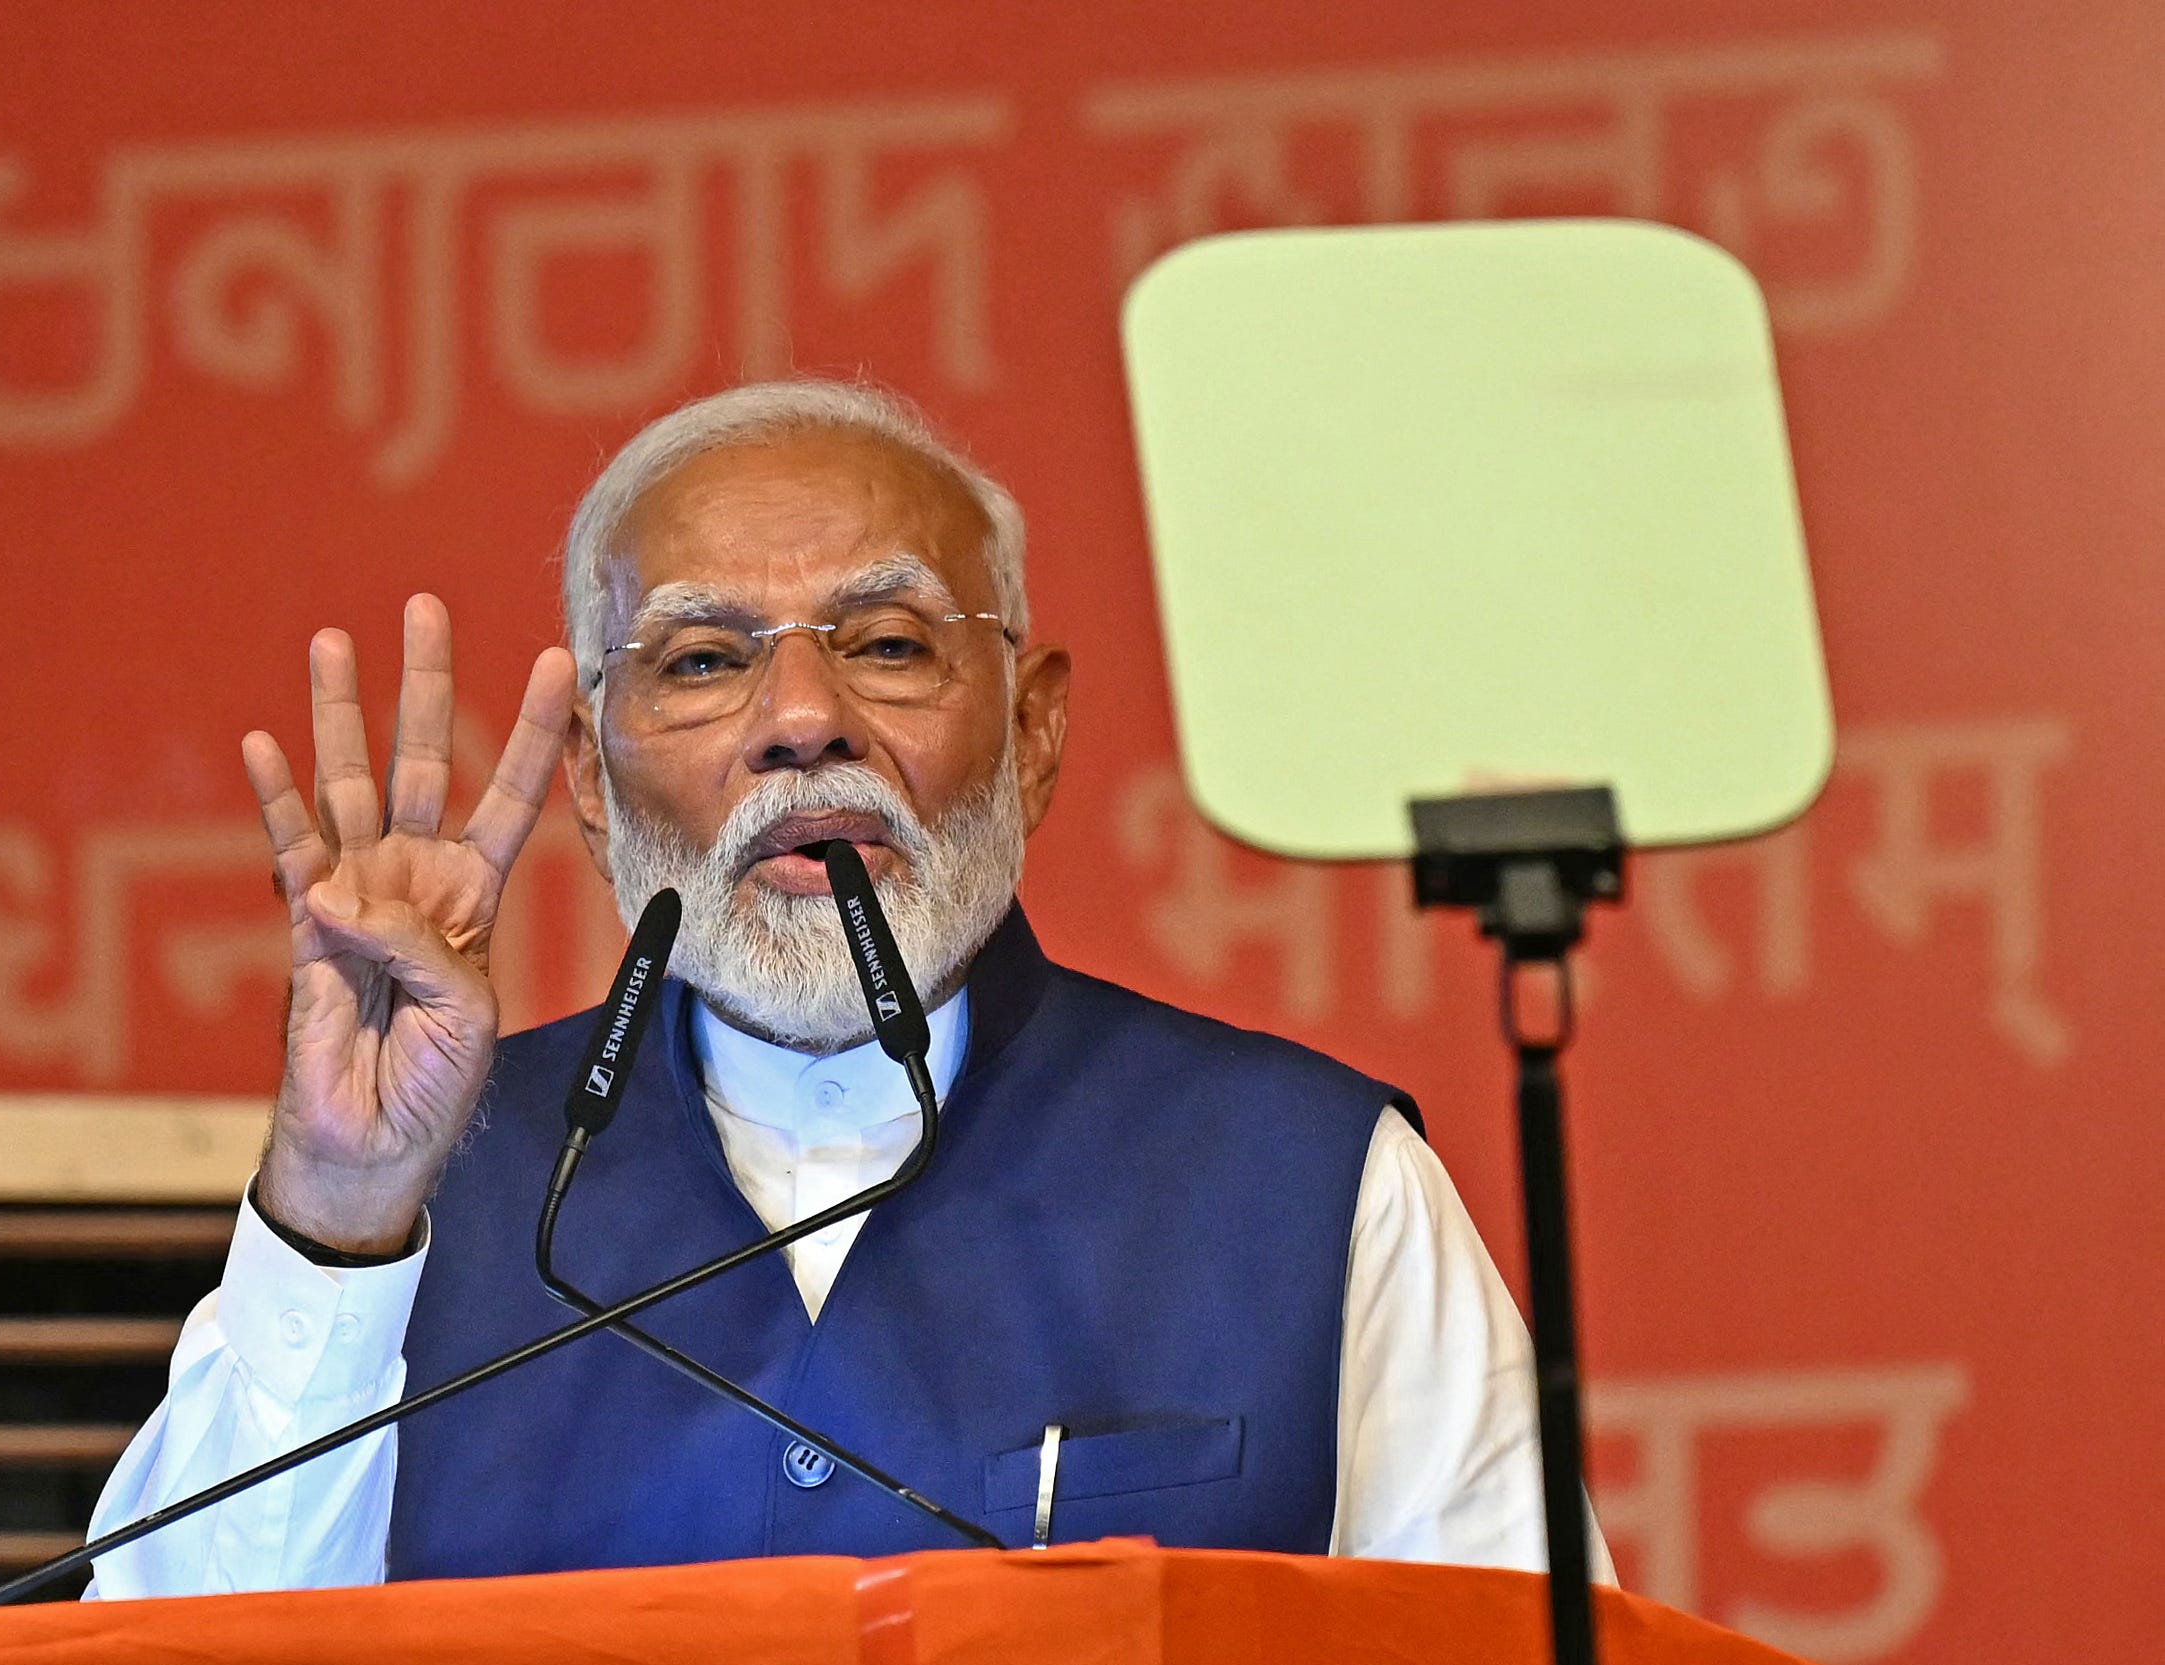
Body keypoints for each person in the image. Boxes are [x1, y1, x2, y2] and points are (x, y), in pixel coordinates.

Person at [89, 378, 1609, 1594]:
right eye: (699, 662)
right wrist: (339, 1219)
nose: (802, 720)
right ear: (596, 794)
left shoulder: (1310, 1180)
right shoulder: (416, 1195)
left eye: (886, 645)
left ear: (1030, 736)